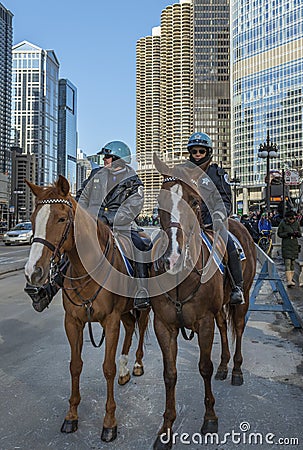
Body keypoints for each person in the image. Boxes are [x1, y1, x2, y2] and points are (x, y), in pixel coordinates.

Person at [25, 140, 150, 311]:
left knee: (142, 244)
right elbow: (82, 198)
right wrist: (85, 216)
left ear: (119, 160)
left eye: (107, 157)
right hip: (91, 224)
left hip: (121, 226)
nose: (104, 160)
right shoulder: (95, 175)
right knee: (71, 248)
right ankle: (49, 289)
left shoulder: (134, 182)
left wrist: (105, 220)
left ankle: (141, 290)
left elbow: (132, 207)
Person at [184, 132, 244, 305]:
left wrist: (218, 216)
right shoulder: (183, 172)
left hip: (211, 222)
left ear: (208, 152)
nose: (197, 155)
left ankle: (237, 287)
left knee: (229, 243)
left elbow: (225, 200)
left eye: (201, 151)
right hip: (188, 223)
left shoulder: (217, 173)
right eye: (194, 151)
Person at [277, 210, 302, 287]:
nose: (292, 220)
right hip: (286, 245)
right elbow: (279, 234)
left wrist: (297, 234)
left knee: (293, 263)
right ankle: (289, 280)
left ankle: (291, 279)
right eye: (291, 218)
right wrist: (287, 234)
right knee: (287, 263)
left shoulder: (296, 223)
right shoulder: (283, 223)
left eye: (294, 218)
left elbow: (300, 233)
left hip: (294, 245)